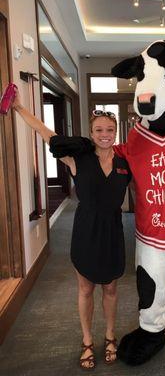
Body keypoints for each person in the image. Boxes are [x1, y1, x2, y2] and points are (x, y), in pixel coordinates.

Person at [11, 90, 131, 370]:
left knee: (111, 288)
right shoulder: (78, 159)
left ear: (116, 132)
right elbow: (46, 133)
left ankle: (110, 336)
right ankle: (87, 340)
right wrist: (19, 107)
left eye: (110, 130)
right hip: (85, 231)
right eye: (99, 130)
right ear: (90, 133)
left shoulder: (125, 163)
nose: (105, 134)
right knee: (86, 288)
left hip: (113, 231)